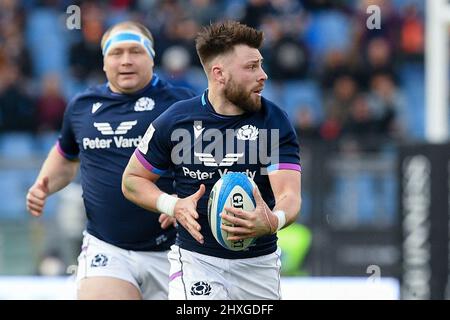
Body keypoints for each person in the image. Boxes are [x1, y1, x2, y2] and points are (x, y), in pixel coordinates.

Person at [122, 20, 302, 299]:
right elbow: (132, 180)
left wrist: (273, 220)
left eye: (261, 64)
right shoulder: (175, 121)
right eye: (251, 67)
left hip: (259, 266)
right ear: (219, 74)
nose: (263, 75)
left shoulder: (275, 120)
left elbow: (289, 195)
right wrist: (173, 205)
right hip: (196, 262)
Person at [26, 21, 196, 300]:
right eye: (116, 53)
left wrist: (183, 196)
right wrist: (43, 185)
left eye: (135, 52)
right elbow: (66, 155)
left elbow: (213, 161)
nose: (126, 60)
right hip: (107, 248)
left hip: (176, 249)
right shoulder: (82, 106)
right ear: (105, 61)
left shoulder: (182, 103)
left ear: (151, 58)